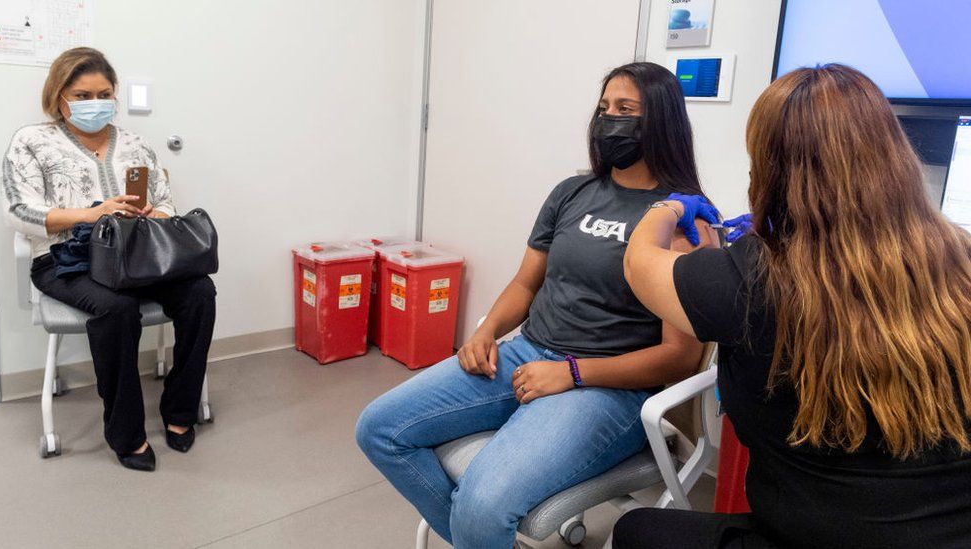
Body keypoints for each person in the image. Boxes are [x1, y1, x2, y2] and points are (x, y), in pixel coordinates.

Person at [355, 61, 718, 548]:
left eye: (626, 110)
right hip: (526, 355)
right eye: (604, 107)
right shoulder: (573, 193)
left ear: (660, 122)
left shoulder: (682, 218)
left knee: (483, 507)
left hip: (608, 389)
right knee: (379, 428)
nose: (609, 119)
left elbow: (680, 357)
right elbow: (526, 285)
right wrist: (485, 333)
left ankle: (478, 531)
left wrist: (570, 374)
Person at [617, 64, 971, 548]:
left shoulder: (755, 279)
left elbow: (640, 265)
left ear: (772, 169)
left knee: (636, 530)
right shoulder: (962, 258)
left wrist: (671, 208)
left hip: (811, 535)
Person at [1, 47, 217, 472]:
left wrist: (153, 214)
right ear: (59, 95)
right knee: (117, 309)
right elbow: (19, 212)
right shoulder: (32, 142)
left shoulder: (137, 144)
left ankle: (179, 410)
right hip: (65, 260)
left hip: (139, 255)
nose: (92, 103)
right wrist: (93, 213)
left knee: (199, 292)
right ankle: (126, 434)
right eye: (81, 95)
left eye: (102, 93)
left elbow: (166, 205)